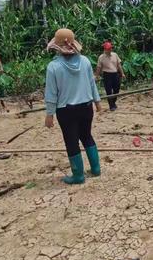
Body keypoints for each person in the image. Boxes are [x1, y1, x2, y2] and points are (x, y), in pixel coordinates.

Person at [45, 28, 102, 184]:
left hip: (66, 110)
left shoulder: (53, 66)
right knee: (87, 135)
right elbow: (92, 84)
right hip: (86, 107)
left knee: (71, 141)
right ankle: (96, 169)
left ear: (56, 47)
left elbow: (51, 93)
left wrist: (49, 114)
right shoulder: (85, 61)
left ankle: (78, 175)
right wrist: (97, 102)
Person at [95, 41, 125, 111]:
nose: (110, 50)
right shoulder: (101, 57)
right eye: (108, 49)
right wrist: (96, 75)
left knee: (116, 90)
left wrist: (122, 73)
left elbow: (119, 65)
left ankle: (113, 102)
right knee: (108, 91)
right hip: (107, 75)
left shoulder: (115, 55)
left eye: (111, 48)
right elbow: (99, 67)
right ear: (105, 49)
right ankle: (111, 106)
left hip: (115, 74)